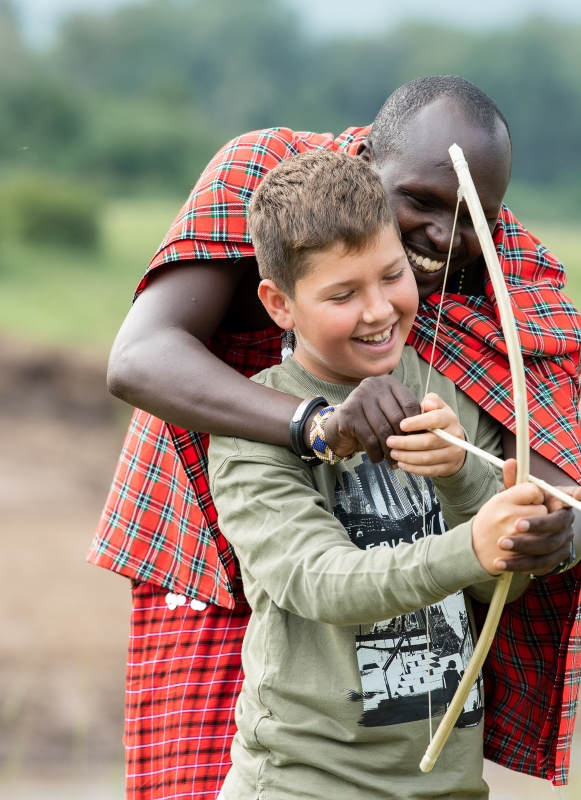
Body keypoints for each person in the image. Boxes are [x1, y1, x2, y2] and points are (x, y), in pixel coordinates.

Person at [90, 76, 581, 799]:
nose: (443, 239)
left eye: (473, 218)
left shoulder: (500, 274)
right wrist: (319, 428)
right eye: (418, 203)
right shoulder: (265, 183)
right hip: (217, 540)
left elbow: (550, 491)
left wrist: (521, 517)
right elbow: (140, 358)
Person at [209, 147, 559, 800]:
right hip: (303, 787)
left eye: (391, 275)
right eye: (342, 294)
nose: (377, 311)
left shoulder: (445, 394)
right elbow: (319, 581)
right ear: (279, 305)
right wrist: (473, 545)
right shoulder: (255, 422)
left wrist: (462, 477)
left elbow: (502, 594)